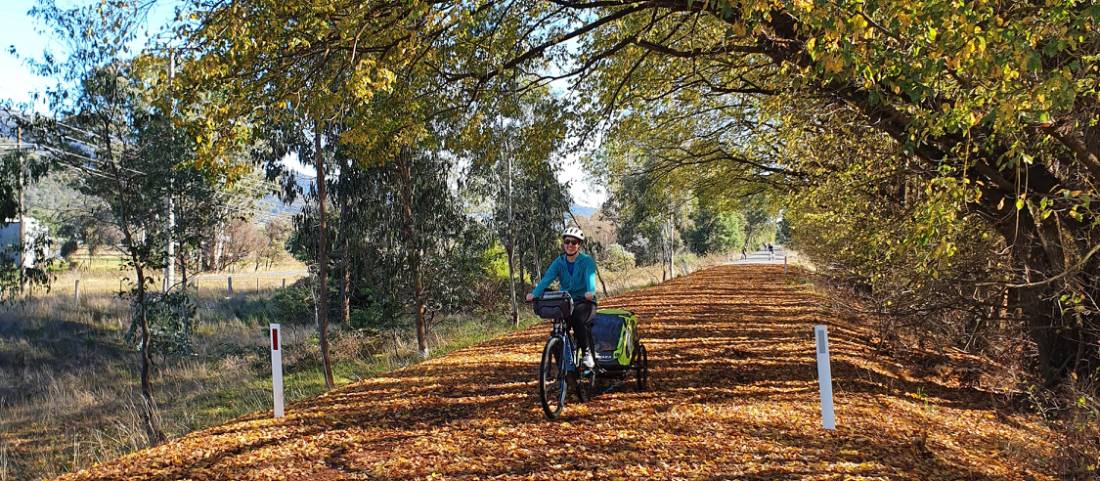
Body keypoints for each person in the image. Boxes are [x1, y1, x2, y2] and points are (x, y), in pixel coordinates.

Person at [527, 226, 598, 369]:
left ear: (579, 245)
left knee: (577, 317)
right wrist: (534, 294)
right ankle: (564, 370)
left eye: (574, 242)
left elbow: (590, 279)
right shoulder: (559, 262)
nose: (570, 245)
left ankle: (587, 353)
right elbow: (547, 279)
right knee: (556, 331)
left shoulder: (586, 261)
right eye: (567, 242)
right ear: (563, 243)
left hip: (585, 302)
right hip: (566, 301)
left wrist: (590, 291)